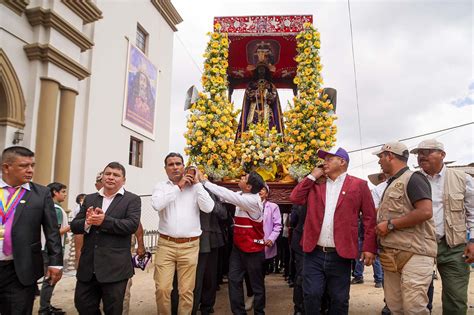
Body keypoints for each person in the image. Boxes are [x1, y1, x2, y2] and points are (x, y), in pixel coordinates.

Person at [290, 147, 377, 314]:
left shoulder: (359, 185)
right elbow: (295, 198)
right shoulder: (316, 184)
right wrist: (312, 176)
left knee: (339, 298)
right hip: (313, 253)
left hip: (340, 254)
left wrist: (369, 247)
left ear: (342, 162)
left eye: (329, 159)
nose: (325, 162)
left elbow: (369, 218)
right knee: (311, 294)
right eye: (324, 159)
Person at [411, 139, 474, 314]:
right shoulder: (412, 179)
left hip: (453, 247)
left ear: (442, 155)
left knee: (455, 298)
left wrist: (473, 240)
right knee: (415, 297)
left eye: (427, 152)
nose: (422, 156)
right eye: (419, 153)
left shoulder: (462, 178)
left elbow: (473, 211)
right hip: (419, 246)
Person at [373, 141, 436, 315]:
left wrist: (391, 224)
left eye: (381, 157)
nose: (379, 162)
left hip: (415, 254)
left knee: (414, 309)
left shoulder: (414, 178)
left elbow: (425, 212)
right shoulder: (391, 183)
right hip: (392, 255)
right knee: (395, 308)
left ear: (390, 156)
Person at [71, 162, 141, 315]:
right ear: (102, 177)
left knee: (113, 310)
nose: (111, 177)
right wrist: (87, 222)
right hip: (88, 268)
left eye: (116, 175)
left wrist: (105, 221)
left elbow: (131, 225)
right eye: (108, 174)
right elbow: (75, 226)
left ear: (123, 180)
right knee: (83, 305)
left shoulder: (132, 200)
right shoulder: (89, 199)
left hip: (115, 269)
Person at [0, 146, 63, 314]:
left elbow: (52, 232)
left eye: (32, 165)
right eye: (24, 166)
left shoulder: (41, 194)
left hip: (21, 269)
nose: (30, 170)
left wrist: (56, 262)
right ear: (6, 167)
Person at [151, 153, 214, 315]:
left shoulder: (195, 188)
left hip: (190, 245)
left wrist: (198, 184)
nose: (175, 167)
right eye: (171, 164)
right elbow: (157, 205)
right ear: (165, 169)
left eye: (178, 164)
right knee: (163, 289)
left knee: (186, 291)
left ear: (184, 166)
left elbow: (208, 208)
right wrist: (178, 187)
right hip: (166, 245)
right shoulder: (161, 187)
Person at [198, 171, 266, 315]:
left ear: (248, 187)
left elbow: (229, 195)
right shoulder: (243, 196)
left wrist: (204, 182)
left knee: (256, 285)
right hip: (238, 248)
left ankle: (259, 312)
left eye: (244, 178)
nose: (241, 177)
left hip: (253, 249)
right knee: (234, 280)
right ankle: (239, 312)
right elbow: (226, 195)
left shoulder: (253, 201)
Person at [244, 184, 282, 311]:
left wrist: (271, 238)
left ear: (267, 193)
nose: (260, 191)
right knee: (249, 273)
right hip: (250, 245)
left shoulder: (273, 207)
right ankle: (251, 295)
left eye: (263, 189)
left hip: (265, 247)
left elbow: (277, 226)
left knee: (259, 275)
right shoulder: (248, 204)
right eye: (258, 188)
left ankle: (259, 303)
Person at [191, 188, 227, 315]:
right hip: (191, 238)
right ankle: (193, 307)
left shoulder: (211, 191)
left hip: (211, 238)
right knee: (194, 278)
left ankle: (207, 306)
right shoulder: (187, 188)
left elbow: (223, 214)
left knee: (209, 276)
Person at [39, 182, 71, 315]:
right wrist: (72, 226)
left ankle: (46, 306)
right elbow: (54, 232)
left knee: (51, 279)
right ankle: (44, 309)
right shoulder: (56, 209)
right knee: (50, 279)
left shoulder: (54, 207)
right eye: (63, 191)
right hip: (50, 250)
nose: (65, 194)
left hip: (49, 249)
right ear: (54, 192)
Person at [236, 62, 284, 139]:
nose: (261, 73)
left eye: (263, 71)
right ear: (256, 72)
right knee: (252, 126)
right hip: (254, 108)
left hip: (267, 109)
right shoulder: (252, 85)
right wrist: (256, 93)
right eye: (259, 71)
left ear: (266, 73)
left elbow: (273, 97)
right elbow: (248, 94)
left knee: (269, 127)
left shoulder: (270, 85)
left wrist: (265, 94)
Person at [122, 222, 145, 315]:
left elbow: (136, 222)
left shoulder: (127, 207)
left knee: (123, 290)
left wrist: (140, 245)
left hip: (123, 248)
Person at [290, 203, 306, 315]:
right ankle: (299, 308)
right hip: (301, 242)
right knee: (301, 276)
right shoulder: (300, 200)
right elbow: (293, 220)